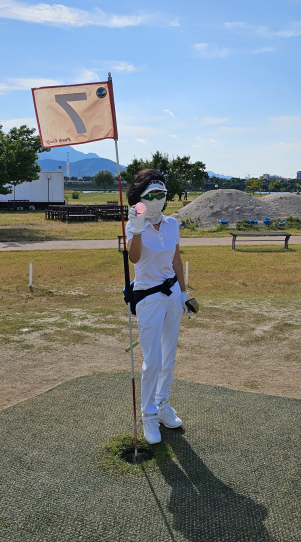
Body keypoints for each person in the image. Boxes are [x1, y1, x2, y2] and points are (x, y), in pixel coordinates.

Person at [126, 169, 189, 444]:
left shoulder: (173, 223)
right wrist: (138, 230)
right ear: (140, 198)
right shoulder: (135, 223)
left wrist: (184, 293)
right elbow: (135, 259)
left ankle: (163, 405)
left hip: (172, 293)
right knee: (152, 360)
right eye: (151, 195)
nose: (157, 199)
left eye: (161, 194)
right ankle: (148, 415)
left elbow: (176, 260)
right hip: (148, 296)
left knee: (169, 356)